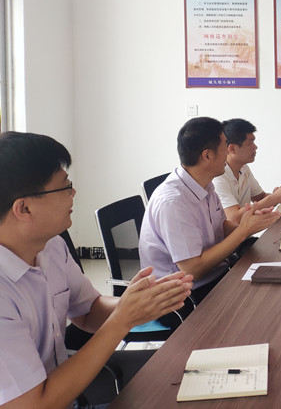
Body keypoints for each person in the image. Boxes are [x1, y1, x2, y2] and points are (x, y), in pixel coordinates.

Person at [0, 131, 193, 407]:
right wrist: (122, 319)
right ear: (24, 208)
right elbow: (34, 404)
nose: (73, 193)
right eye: (65, 187)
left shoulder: (51, 246)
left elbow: (87, 310)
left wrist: (136, 302)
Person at [139, 117, 281, 303]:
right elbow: (193, 270)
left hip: (218, 274)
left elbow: (220, 227)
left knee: (276, 282)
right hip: (185, 296)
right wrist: (243, 231)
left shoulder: (205, 185)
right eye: (224, 147)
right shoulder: (174, 203)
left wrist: (251, 223)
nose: (228, 153)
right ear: (207, 156)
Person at [213, 118, 281, 222]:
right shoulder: (218, 177)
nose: (255, 147)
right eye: (250, 143)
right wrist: (274, 198)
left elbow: (260, 198)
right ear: (232, 149)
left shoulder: (244, 168)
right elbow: (234, 217)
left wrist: (277, 196)